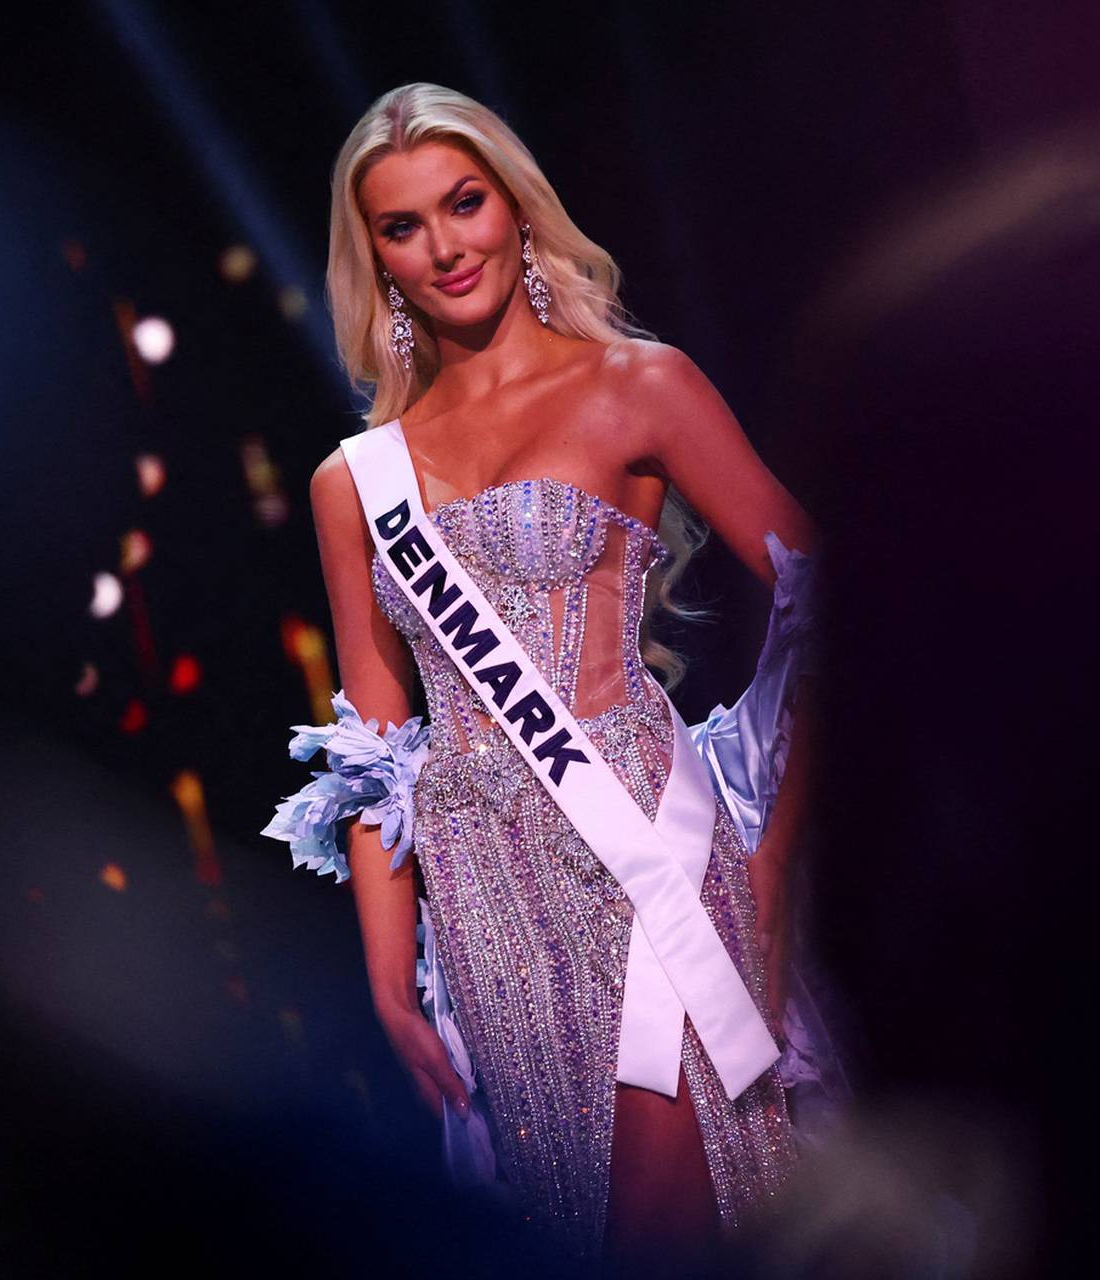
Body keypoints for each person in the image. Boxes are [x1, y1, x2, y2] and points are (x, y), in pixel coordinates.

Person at [263, 82, 835, 1267]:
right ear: (375, 258)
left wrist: (775, 846)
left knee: (660, 1223)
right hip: (483, 904)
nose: (445, 244)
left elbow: (824, 588)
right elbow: (375, 732)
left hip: (646, 849)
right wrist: (386, 979)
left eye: (463, 203)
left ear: (516, 210)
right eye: (403, 225)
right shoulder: (353, 480)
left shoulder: (637, 385)